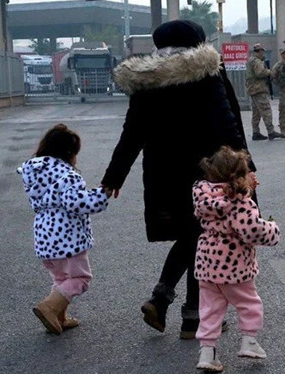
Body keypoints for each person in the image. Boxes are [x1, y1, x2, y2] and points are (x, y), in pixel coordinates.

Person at [101, 20, 253, 340]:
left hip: (163, 175)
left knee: (192, 236)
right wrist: (244, 167)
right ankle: (186, 314)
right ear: (197, 42)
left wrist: (114, 176)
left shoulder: (147, 81)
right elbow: (227, 123)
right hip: (207, 173)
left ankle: (166, 302)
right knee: (202, 238)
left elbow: (132, 134)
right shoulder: (207, 73)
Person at [192, 146, 280, 372]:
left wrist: (246, 188)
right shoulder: (239, 202)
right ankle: (249, 341)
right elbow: (251, 231)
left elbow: (224, 196)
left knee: (210, 309)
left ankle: (207, 352)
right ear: (238, 175)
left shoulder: (204, 197)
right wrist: (272, 229)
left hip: (207, 264)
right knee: (249, 303)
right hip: (235, 266)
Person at [18, 124, 110, 335]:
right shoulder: (67, 176)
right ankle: (49, 307)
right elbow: (77, 203)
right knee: (80, 279)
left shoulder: (35, 174)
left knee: (61, 279)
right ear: (68, 154)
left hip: (44, 237)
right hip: (67, 239)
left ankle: (59, 317)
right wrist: (102, 194)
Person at [246, 43, 280, 141]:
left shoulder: (250, 60)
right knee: (266, 110)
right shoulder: (257, 61)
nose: (263, 53)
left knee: (256, 113)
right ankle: (271, 131)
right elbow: (260, 73)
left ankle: (255, 133)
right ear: (260, 51)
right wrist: (269, 71)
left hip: (253, 90)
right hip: (259, 89)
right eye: (262, 51)